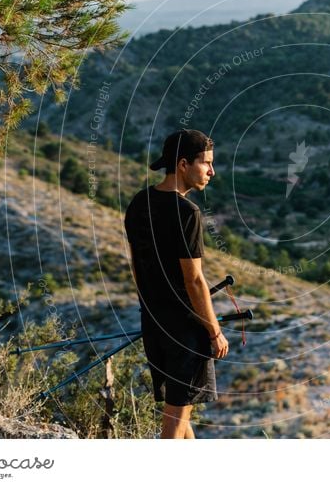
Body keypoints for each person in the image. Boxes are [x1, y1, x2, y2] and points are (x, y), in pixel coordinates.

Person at [124, 129, 229, 439]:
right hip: (185, 330)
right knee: (172, 429)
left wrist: (153, 309)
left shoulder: (139, 203)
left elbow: (135, 265)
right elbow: (194, 280)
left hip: (154, 324)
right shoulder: (187, 213)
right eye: (206, 163)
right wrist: (215, 331)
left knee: (180, 414)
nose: (212, 171)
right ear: (183, 164)